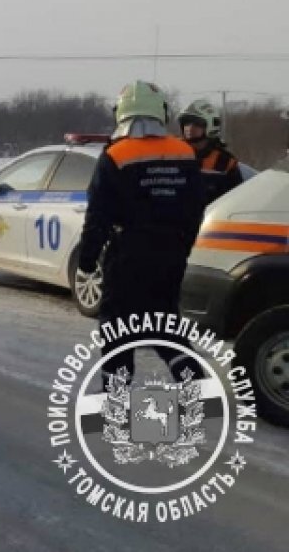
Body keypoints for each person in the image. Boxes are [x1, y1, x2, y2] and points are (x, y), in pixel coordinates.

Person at [78, 81, 206, 389]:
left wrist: (87, 259)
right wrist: (183, 247)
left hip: (128, 257)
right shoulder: (184, 153)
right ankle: (197, 388)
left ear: (121, 114)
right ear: (161, 112)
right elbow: (195, 208)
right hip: (171, 256)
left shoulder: (115, 155)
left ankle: (116, 397)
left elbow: (98, 215)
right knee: (164, 325)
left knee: (117, 329)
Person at [178, 99, 244, 204]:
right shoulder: (174, 155)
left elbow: (238, 199)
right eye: (186, 123)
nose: (189, 128)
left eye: (196, 124)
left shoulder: (225, 162)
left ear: (211, 125)